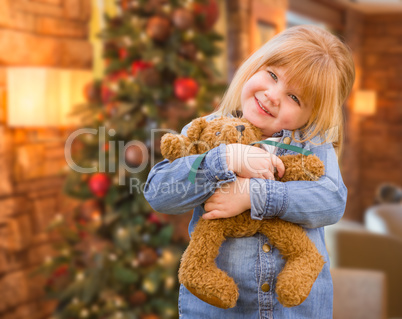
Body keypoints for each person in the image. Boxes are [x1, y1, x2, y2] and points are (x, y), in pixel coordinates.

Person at [144, 25, 355, 319]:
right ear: (255, 66)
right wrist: (224, 158)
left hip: (295, 311)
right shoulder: (208, 131)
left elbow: (331, 201)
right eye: (272, 75)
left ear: (313, 116)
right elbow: (159, 193)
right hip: (219, 312)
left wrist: (254, 194)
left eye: (295, 98)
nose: (272, 96)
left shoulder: (312, 144)